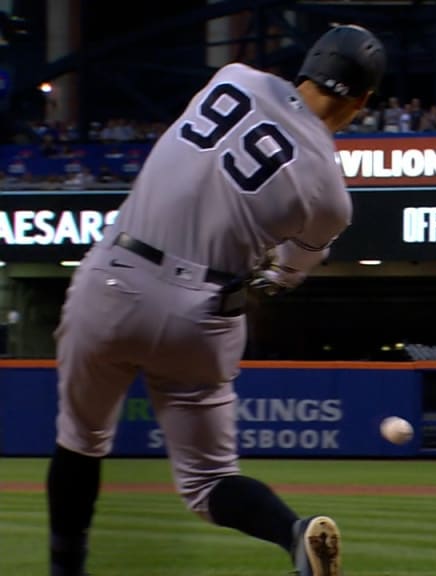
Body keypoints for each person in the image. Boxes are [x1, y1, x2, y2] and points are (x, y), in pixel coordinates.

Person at [46, 24, 386, 576]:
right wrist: (259, 277)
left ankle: (66, 570)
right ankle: (293, 533)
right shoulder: (330, 194)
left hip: (116, 278)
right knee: (210, 482)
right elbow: (280, 278)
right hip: (202, 312)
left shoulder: (233, 78)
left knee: (80, 443)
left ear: (308, 65)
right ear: (364, 100)